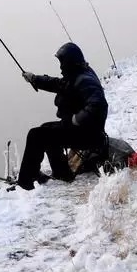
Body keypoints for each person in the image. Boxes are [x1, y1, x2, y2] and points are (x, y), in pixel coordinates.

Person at [17, 42, 108, 190]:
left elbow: (98, 105)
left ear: (70, 62)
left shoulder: (85, 80)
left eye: (62, 62)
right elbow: (57, 84)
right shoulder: (77, 74)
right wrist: (34, 79)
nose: (60, 67)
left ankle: (25, 182)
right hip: (83, 131)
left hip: (87, 135)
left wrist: (76, 119)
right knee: (45, 129)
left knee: (36, 135)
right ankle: (62, 173)